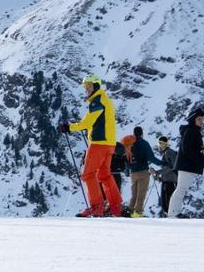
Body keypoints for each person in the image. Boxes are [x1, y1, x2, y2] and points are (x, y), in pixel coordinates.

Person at [60, 74, 124, 217]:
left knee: (88, 175)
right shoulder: (105, 99)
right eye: (85, 86)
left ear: (96, 86)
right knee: (104, 174)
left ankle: (97, 207)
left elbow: (87, 123)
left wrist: (69, 128)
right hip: (109, 143)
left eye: (88, 85)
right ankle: (115, 206)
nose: (86, 89)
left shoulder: (97, 101)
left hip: (99, 144)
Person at [167, 105, 204, 218]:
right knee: (181, 189)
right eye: (199, 119)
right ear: (193, 120)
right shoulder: (191, 131)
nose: (202, 121)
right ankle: (173, 214)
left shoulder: (193, 131)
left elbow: (192, 150)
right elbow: (188, 150)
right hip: (186, 165)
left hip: (187, 165)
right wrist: (201, 160)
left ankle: (174, 213)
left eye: (202, 119)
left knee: (181, 189)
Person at [126, 126, 161, 218]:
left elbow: (126, 158)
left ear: (134, 134)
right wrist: (163, 163)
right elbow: (151, 158)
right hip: (143, 172)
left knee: (134, 194)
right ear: (142, 134)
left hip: (133, 173)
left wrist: (127, 171)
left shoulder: (130, 144)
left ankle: (129, 212)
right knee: (141, 194)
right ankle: (137, 213)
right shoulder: (144, 143)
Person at [155, 136, 178, 217]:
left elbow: (172, 166)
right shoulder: (166, 153)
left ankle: (171, 217)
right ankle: (169, 216)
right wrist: (160, 178)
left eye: (160, 143)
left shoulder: (169, 152)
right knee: (165, 204)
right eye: (159, 143)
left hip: (170, 181)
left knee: (168, 202)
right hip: (167, 181)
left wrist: (158, 172)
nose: (159, 145)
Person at [108, 142, 128, 208]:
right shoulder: (122, 152)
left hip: (109, 174)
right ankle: (116, 206)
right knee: (116, 191)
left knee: (109, 192)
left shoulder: (110, 151)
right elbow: (124, 166)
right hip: (116, 175)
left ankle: (111, 206)